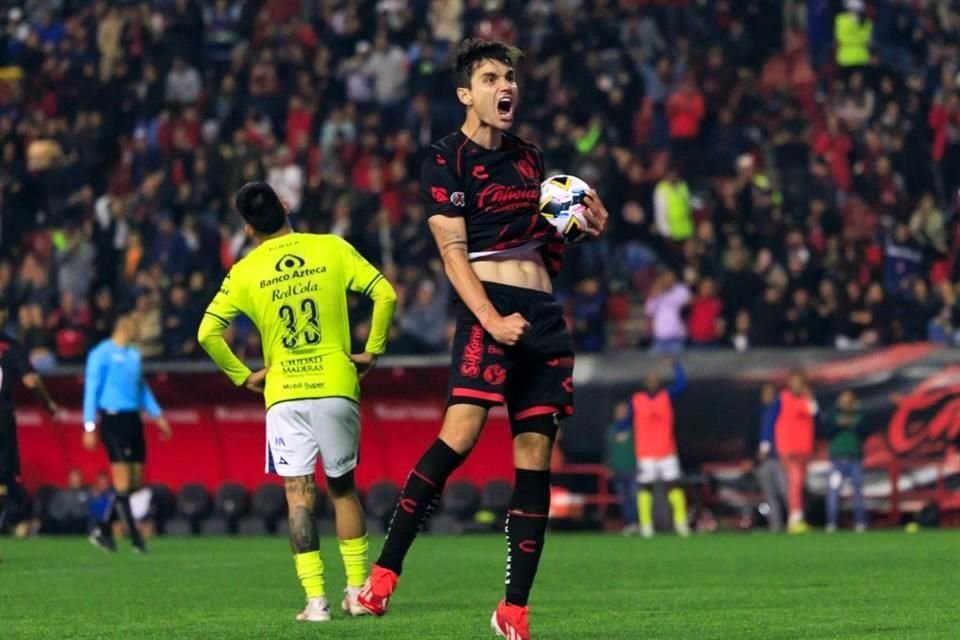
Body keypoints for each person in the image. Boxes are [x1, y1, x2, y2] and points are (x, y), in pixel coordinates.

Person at [355, 39, 610, 640]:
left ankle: (513, 611)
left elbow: (547, 243)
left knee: (535, 460)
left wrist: (582, 228)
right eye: (493, 76)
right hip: (487, 310)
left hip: (542, 314)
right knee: (461, 435)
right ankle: (383, 575)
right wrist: (491, 321)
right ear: (465, 93)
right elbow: (453, 255)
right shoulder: (445, 160)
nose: (507, 86)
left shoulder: (530, 159)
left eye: (512, 77)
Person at [198, 181, 397, 623]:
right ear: (285, 206)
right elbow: (386, 293)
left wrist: (242, 376)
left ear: (249, 230)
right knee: (342, 487)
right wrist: (373, 350)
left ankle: (316, 603)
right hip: (335, 382)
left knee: (297, 494)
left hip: (284, 391)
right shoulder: (331, 248)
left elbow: (206, 333)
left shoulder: (245, 271)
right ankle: (355, 592)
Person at [83, 311, 172, 553]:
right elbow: (91, 390)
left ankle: (102, 529)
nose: (139, 331)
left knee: (134, 481)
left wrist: (158, 416)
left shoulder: (134, 356)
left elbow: (142, 389)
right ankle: (135, 538)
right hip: (113, 419)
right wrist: (89, 425)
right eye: (136, 326)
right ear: (123, 325)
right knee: (122, 481)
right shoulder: (101, 354)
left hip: (133, 419)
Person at [0, 301, 60, 543]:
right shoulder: (11, 346)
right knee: (3, 481)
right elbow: (31, 382)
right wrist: (48, 404)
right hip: (1, 417)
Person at [626, 359, 689, 538]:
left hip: (667, 451)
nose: (652, 383)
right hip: (646, 453)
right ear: (644, 383)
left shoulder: (666, 396)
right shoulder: (636, 400)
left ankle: (681, 522)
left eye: (655, 380)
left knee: (674, 486)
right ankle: (646, 525)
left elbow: (682, 384)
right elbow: (626, 421)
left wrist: (676, 366)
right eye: (649, 380)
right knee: (645, 488)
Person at [761, 370, 818, 534]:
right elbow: (770, 418)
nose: (797, 385)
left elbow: (814, 415)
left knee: (798, 484)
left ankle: (796, 518)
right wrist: (765, 444)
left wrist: (810, 398)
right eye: (794, 382)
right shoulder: (782, 398)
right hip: (788, 448)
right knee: (795, 482)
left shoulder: (805, 400)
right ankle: (794, 519)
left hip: (804, 448)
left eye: (800, 382)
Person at [825, 390, 868, 532]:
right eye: (844, 400)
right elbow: (826, 431)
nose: (847, 402)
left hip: (854, 459)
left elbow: (866, 431)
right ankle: (831, 522)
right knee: (833, 492)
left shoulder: (859, 415)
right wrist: (839, 424)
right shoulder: (833, 415)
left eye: (849, 400)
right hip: (837, 460)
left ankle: (860, 522)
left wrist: (852, 423)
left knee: (858, 493)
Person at [755, 383, 788, 532]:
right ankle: (775, 526)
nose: (767, 396)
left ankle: (795, 522)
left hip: (779, 457)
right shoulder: (763, 412)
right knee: (770, 495)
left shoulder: (779, 409)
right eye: (764, 393)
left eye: (770, 393)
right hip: (766, 460)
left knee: (785, 492)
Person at [605, 402, 638, 535]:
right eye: (619, 412)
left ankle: (636, 522)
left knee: (634, 496)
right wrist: (609, 467)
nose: (622, 414)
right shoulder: (611, 430)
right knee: (623, 499)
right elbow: (608, 450)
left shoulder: (633, 428)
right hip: (618, 470)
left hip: (632, 469)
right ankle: (630, 524)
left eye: (624, 412)